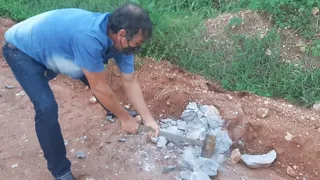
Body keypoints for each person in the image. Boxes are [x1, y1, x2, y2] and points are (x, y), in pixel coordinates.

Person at [2, 2, 159, 180]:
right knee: (46, 108)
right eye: (137, 43)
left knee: (92, 72)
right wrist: (125, 119)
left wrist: (148, 119)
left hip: (54, 45)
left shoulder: (119, 39)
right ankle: (60, 172)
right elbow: (99, 87)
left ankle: (113, 111)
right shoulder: (89, 37)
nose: (136, 49)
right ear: (122, 34)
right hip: (21, 50)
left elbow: (129, 80)